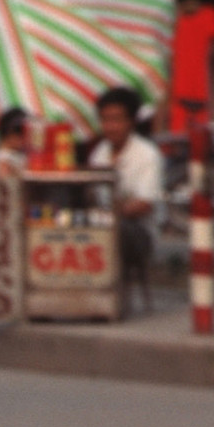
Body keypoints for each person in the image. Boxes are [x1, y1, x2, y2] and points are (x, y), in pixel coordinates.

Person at [88, 85, 165, 296]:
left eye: (117, 120)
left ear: (131, 122)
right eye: (105, 120)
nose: (110, 127)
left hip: (139, 233)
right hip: (103, 224)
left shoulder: (147, 154)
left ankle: (112, 295)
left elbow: (144, 204)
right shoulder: (99, 154)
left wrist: (108, 214)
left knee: (116, 230)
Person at [0, 106, 29, 180]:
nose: (25, 138)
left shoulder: (14, 154)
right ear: (10, 133)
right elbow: (5, 182)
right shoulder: (3, 158)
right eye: (21, 133)